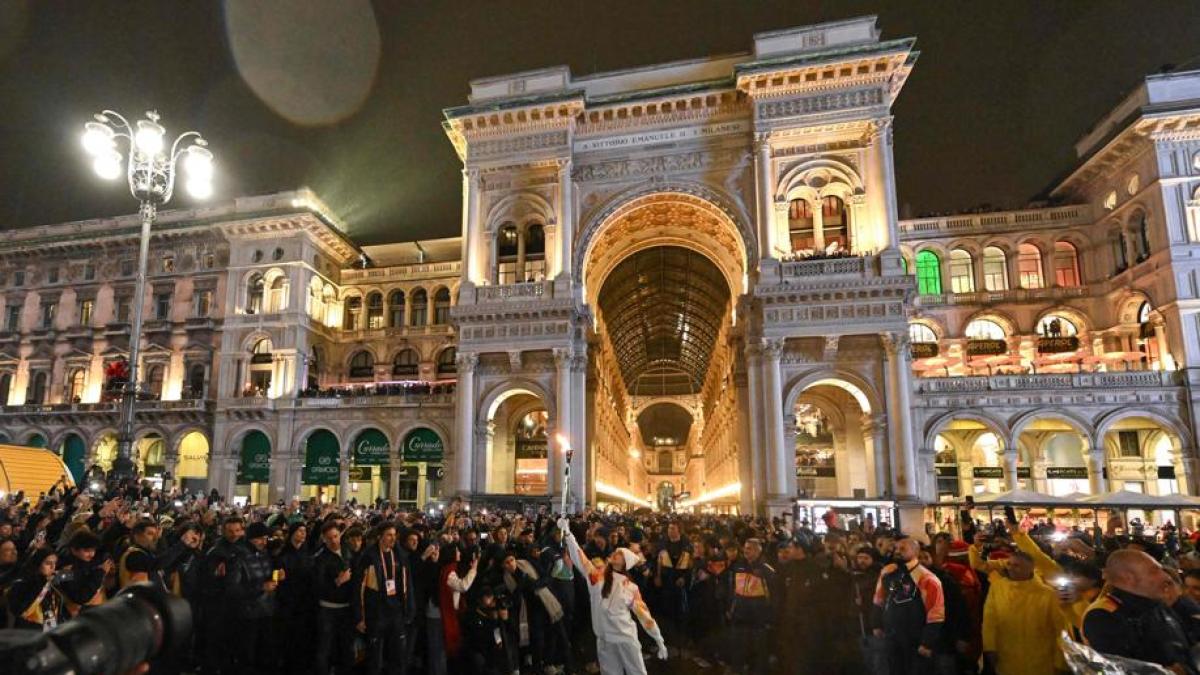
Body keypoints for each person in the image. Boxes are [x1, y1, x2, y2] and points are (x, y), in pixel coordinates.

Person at [559, 517, 666, 675]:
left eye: (619, 554)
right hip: (604, 640)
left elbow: (645, 616)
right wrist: (568, 535)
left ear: (624, 564)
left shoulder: (630, 587)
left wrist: (658, 639)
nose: (614, 553)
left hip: (626, 639)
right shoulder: (596, 576)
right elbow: (580, 558)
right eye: (616, 552)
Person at [1082, 549, 1196, 673]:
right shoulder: (1103, 616)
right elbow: (1117, 668)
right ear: (1128, 578)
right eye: (1154, 571)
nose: (1166, 577)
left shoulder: (1157, 605)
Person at [977, 550, 1061, 675]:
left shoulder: (1048, 594)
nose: (1010, 568)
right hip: (1007, 660)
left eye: (1016, 565)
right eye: (1009, 564)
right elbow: (989, 621)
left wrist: (1060, 663)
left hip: (1040, 663)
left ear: (1030, 569)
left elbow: (1059, 630)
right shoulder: (997, 588)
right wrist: (990, 647)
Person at [874, 536, 944, 675]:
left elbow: (936, 613)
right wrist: (876, 623)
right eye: (896, 548)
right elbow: (878, 599)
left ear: (915, 551)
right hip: (892, 637)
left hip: (915, 639)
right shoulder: (888, 572)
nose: (897, 551)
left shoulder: (927, 578)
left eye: (903, 549)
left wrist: (927, 642)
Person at [353, 521, 416, 675]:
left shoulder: (400, 555)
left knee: (398, 656)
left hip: (396, 612)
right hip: (377, 612)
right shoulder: (368, 556)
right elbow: (358, 588)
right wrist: (359, 617)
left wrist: (409, 608)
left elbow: (408, 584)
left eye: (394, 535)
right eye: (389, 535)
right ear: (380, 536)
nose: (392, 539)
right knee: (375, 657)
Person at [726, 538, 777, 675]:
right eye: (745, 548)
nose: (746, 551)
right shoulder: (738, 566)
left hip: (758, 617)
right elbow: (733, 589)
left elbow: (773, 596)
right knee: (738, 646)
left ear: (758, 550)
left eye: (750, 548)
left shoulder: (766, 570)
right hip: (740, 614)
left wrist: (769, 617)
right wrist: (730, 608)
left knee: (759, 650)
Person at [314, 520, 356, 675]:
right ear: (324, 539)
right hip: (328, 608)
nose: (333, 540)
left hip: (346, 606)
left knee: (346, 647)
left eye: (336, 536)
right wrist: (337, 582)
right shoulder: (320, 558)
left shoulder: (347, 551)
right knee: (325, 647)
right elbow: (317, 585)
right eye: (329, 538)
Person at [6, 547, 63, 631]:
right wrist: (44, 585)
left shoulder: (51, 583)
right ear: (38, 563)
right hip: (27, 633)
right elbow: (20, 611)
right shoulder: (22, 583)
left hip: (47, 632)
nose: (52, 567)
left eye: (54, 563)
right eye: (48, 563)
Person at [118, 518, 161, 589]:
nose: (155, 538)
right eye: (150, 534)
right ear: (137, 536)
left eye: (155, 534)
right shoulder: (134, 554)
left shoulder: (146, 553)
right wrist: (181, 545)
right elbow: (157, 564)